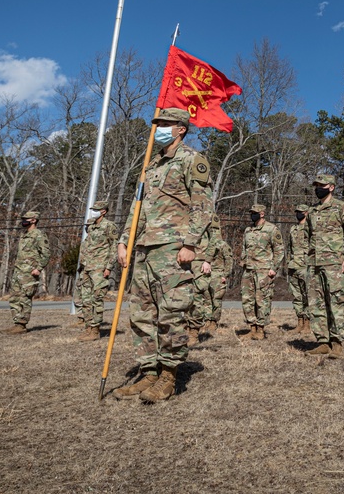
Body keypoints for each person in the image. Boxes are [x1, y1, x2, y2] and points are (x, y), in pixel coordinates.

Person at [112, 108, 214, 403]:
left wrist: (190, 244)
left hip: (173, 249)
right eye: (157, 124)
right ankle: (149, 373)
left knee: (171, 314)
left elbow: (203, 206)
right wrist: (124, 241)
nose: (159, 129)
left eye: (165, 124)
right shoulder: (151, 165)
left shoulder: (191, 160)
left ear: (181, 128)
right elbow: (137, 208)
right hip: (144, 248)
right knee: (142, 315)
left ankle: (169, 376)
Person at [304, 173, 344, 358]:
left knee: (336, 302)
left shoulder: (342, 208)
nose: (317, 188)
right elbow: (307, 236)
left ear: (331, 187)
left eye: (321, 185)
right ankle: (322, 341)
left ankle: (337, 342)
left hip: (335, 263)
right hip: (315, 264)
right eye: (316, 185)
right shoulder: (312, 211)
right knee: (316, 303)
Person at [240, 203, 284, 340]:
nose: (252, 215)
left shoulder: (272, 229)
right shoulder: (248, 230)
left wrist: (274, 268)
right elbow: (244, 248)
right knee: (247, 300)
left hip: (264, 271)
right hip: (249, 270)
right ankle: (252, 328)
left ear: (262, 213)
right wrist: (243, 262)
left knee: (262, 300)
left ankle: (260, 329)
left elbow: (279, 250)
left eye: (254, 212)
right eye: (251, 212)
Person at [76, 200, 118, 342]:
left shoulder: (109, 226)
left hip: (99, 268)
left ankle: (95, 330)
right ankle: (88, 328)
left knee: (97, 299)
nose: (92, 212)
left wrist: (109, 267)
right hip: (86, 267)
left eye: (96, 209)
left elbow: (114, 248)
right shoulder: (92, 227)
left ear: (103, 211)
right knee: (85, 299)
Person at [4, 211, 50, 334]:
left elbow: (46, 254)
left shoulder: (39, 235)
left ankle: (22, 325)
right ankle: (17, 323)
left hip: (29, 273)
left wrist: (38, 268)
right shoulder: (24, 235)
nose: (23, 221)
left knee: (25, 297)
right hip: (18, 271)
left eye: (26, 219)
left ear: (34, 220)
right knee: (15, 298)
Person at [196, 215, 232, 337]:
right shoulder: (204, 245)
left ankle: (214, 321)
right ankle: (206, 320)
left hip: (218, 274)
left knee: (216, 299)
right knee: (206, 298)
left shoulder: (223, 245)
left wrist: (225, 275)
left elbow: (229, 261)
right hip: (207, 274)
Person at [287, 204, 311, 333]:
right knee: (296, 295)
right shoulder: (293, 228)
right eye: (297, 212)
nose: (298, 214)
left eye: (300, 212)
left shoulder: (311, 228)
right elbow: (290, 247)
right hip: (294, 265)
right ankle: (299, 322)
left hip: (306, 265)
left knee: (307, 294)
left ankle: (307, 323)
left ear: (306, 213)